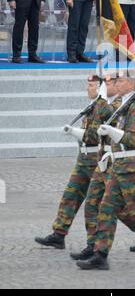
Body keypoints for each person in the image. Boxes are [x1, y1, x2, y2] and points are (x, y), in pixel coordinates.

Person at [77, 70, 135, 270]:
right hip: (119, 166)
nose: (116, 84)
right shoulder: (124, 105)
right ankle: (100, 255)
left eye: (120, 80)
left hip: (132, 168)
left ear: (131, 84)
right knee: (106, 208)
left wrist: (112, 131)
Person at [34, 74, 119, 250]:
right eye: (87, 85)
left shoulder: (104, 107)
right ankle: (59, 234)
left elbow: (95, 136)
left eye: (92, 85)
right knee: (70, 195)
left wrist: (73, 132)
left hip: (96, 159)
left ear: (100, 87)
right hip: (84, 159)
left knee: (107, 203)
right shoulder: (92, 106)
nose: (88, 88)